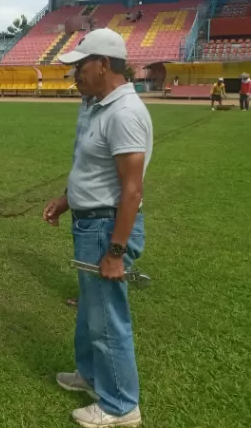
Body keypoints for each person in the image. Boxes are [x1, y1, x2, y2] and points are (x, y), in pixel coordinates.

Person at [42, 28, 152, 428]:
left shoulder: (124, 113)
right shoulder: (95, 103)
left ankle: (122, 406)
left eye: (80, 66)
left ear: (103, 65)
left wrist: (116, 251)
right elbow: (92, 170)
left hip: (108, 228)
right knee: (91, 310)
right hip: (89, 222)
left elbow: (131, 190)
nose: (75, 74)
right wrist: (66, 199)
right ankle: (91, 376)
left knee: (108, 318)